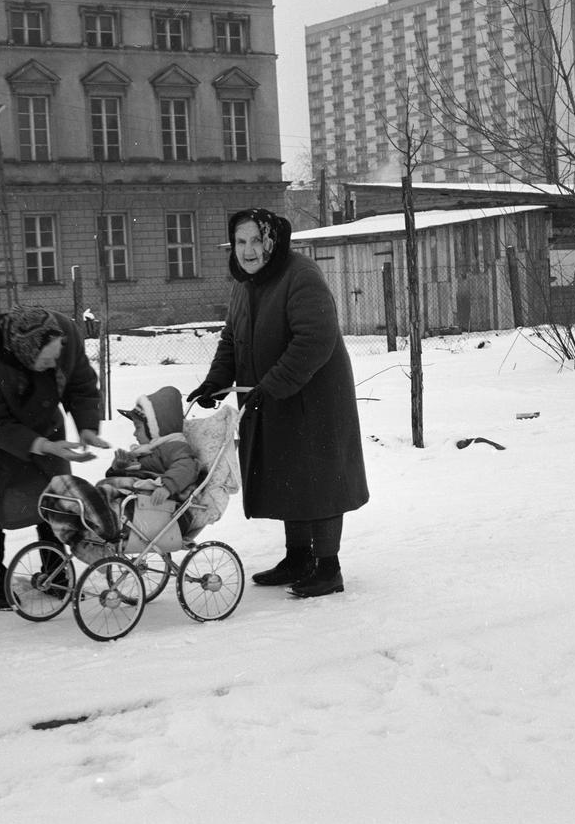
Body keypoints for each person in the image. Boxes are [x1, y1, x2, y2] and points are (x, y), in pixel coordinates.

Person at [187, 207, 369, 598]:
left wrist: (271, 385)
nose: (248, 250)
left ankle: (328, 568)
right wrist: (215, 382)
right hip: (275, 396)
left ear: (272, 241)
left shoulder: (301, 275)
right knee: (291, 474)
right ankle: (298, 558)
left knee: (319, 478)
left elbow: (315, 339)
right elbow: (232, 340)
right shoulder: (245, 284)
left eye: (257, 240)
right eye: (240, 241)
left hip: (315, 398)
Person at [0, 306, 109, 608]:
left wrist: (87, 427)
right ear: (27, 354)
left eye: (57, 354)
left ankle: (55, 572)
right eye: (47, 359)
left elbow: (79, 381)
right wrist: (43, 445)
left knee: (52, 491)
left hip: (38, 411)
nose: (55, 362)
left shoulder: (63, 335)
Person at [42, 385, 201, 556]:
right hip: (130, 502)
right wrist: (119, 468)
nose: (134, 434)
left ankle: (102, 524)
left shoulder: (175, 447)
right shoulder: (147, 451)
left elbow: (186, 466)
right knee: (82, 496)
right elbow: (129, 478)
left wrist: (167, 487)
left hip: (145, 508)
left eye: (138, 428)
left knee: (70, 488)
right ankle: (87, 537)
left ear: (155, 429)